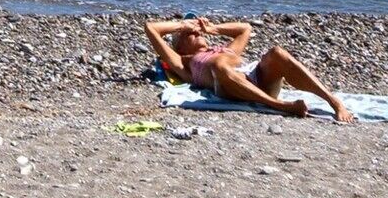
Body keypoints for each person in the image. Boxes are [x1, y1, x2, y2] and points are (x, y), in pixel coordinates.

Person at [143, 16, 349, 121]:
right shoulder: (183, 61)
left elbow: (245, 28)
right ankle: (279, 105)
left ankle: (334, 102)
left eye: (197, 31)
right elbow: (150, 27)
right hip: (226, 86)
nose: (196, 31)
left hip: (253, 79)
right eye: (191, 34)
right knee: (219, 64)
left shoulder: (226, 49)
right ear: (179, 45)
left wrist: (213, 29)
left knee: (277, 53)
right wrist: (182, 25)